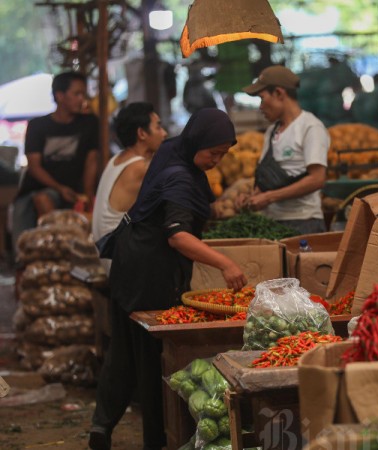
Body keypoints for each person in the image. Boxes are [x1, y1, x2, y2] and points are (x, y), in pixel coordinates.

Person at [89, 108, 247, 450]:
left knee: (124, 351)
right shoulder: (179, 174)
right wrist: (226, 264)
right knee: (148, 358)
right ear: (196, 143)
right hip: (147, 270)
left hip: (131, 262)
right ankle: (155, 440)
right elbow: (177, 235)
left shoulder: (173, 151)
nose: (217, 160)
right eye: (213, 153)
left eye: (223, 154)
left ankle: (101, 429)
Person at [236, 65, 330, 235]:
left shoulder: (310, 127)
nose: (260, 107)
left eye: (262, 98)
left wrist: (269, 197)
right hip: (272, 222)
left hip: (304, 223)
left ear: (279, 93)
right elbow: (267, 180)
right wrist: (251, 197)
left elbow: (317, 179)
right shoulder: (271, 132)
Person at [12, 71, 99, 250]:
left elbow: (92, 161)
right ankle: (58, 249)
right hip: (38, 189)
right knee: (42, 199)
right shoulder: (38, 125)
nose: (82, 99)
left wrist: (88, 194)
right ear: (60, 96)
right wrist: (60, 188)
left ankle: (66, 253)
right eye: (77, 94)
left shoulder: (89, 123)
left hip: (74, 191)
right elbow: (34, 167)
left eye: (84, 94)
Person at [91, 102, 167, 272]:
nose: (164, 133)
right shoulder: (139, 168)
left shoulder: (118, 159)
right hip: (119, 259)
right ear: (141, 133)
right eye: (158, 127)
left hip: (109, 253)